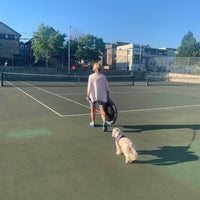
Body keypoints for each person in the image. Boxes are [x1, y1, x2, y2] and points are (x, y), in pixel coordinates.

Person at [86, 63, 110, 131]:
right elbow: (107, 87)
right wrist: (108, 95)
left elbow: (89, 87)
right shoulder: (103, 76)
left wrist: (87, 95)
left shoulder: (91, 76)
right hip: (102, 96)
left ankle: (93, 122)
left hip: (93, 97)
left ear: (94, 68)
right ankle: (104, 122)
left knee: (92, 109)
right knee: (102, 110)